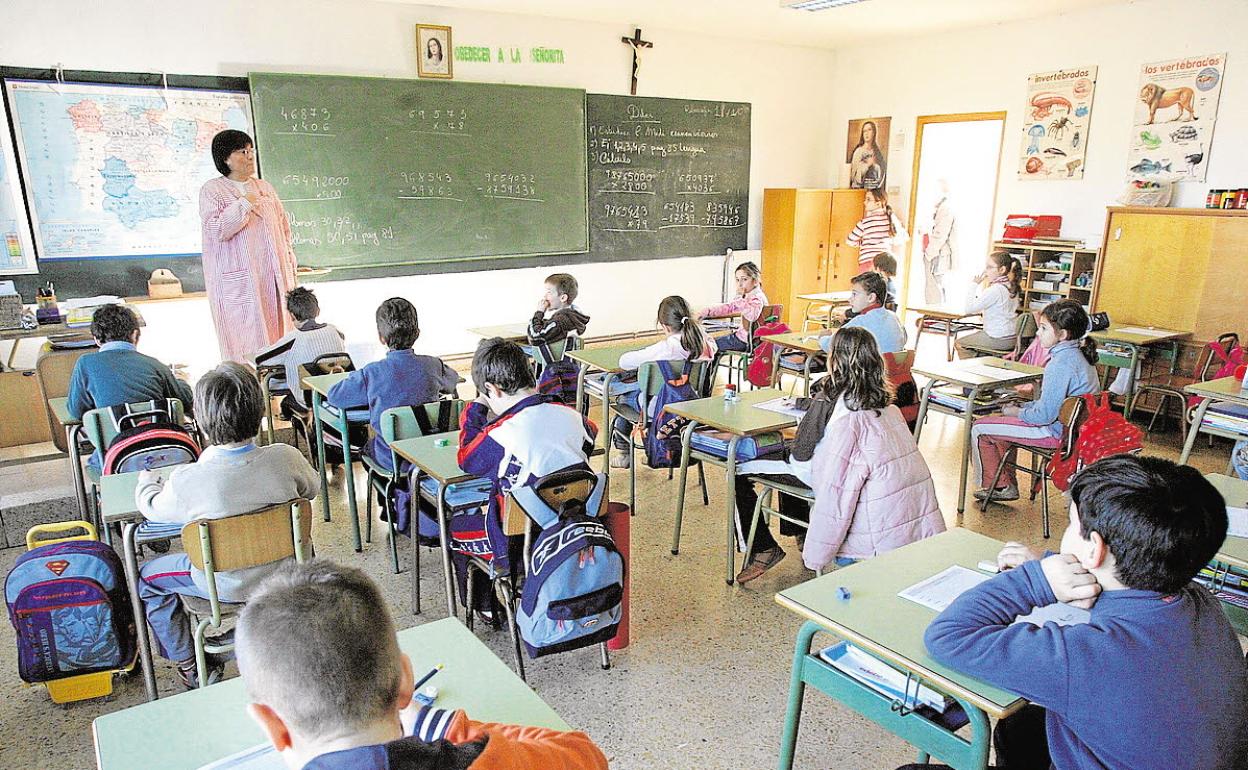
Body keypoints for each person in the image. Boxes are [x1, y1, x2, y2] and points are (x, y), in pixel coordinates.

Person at [910, 455, 1248, 770]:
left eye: (1072, 524)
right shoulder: (1197, 598)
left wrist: (1035, 581)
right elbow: (1130, 602)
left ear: (1094, 548)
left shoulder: (1082, 658)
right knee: (1023, 726)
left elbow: (947, 636)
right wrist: (1056, 569)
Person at [236, 560, 610, 770]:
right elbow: (586, 756)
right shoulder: (484, 762)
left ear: (273, 727)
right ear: (405, 682)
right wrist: (443, 724)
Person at [135, 362, 318, 689]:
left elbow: (152, 509)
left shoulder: (187, 480)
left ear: (201, 422)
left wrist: (146, 483)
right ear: (261, 411)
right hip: (287, 574)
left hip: (221, 588)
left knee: (147, 579)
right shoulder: (286, 457)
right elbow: (312, 490)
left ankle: (189, 662)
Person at [736, 327, 943, 583]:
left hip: (833, 482)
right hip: (898, 508)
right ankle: (800, 532)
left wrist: (818, 555)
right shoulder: (886, 405)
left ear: (834, 359)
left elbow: (802, 456)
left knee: (739, 467)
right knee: (791, 455)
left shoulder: (829, 397)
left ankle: (763, 548)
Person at [453, 339, 597, 616]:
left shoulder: (503, 432)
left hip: (519, 546)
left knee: (457, 527)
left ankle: (488, 609)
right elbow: (591, 434)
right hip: (574, 532)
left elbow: (467, 460)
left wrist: (476, 408)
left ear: (492, 389)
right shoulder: (572, 416)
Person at [970, 299, 1099, 503]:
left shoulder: (1059, 364)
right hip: (1072, 433)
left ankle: (997, 486)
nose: (1038, 334)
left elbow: (1044, 416)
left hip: (1053, 432)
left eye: (1044, 328)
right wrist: (1024, 406)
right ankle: (1004, 484)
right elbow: (1054, 404)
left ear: (1062, 335)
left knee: (979, 428)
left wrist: (1016, 412)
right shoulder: (1080, 356)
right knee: (1000, 426)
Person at [327, 298, 458, 473]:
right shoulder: (434, 365)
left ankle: (388, 497)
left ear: (381, 338)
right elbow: (452, 382)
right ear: (417, 333)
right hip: (428, 456)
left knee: (366, 448)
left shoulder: (371, 373)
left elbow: (335, 396)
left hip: (390, 459)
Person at [200, 130, 299, 363]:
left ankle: (280, 389)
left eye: (251, 150)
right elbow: (217, 230)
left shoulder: (265, 187)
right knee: (246, 344)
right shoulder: (213, 190)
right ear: (226, 158)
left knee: (281, 339)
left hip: (273, 276)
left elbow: (284, 229)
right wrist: (244, 204)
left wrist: (289, 263)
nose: (249, 156)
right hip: (240, 281)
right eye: (242, 151)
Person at [66, 304, 194, 469]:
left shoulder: (85, 364)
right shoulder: (155, 365)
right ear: (135, 334)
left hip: (113, 460)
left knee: (93, 464)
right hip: (165, 456)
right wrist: (181, 381)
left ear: (96, 339)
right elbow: (184, 401)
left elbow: (76, 411)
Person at [611, 296, 715, 469]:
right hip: (694, 406)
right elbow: (710, 342)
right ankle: (653, 450)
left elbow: (624, 361)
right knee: (640, 391)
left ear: (665, 325)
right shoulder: (705, 343)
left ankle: (624, 454)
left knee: (622, 399)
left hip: (663, 408)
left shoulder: (666, 348)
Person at [253, 286, 346, 413]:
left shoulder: (294, 339)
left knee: (285, 403)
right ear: (318, 311)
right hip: (336, 394)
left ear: (292, 316)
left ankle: (305, 426)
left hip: (308, 401)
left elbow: (260, 359)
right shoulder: (335, 331)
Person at [818, 272, 906, 355]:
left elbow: (830, 345)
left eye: (854, 294)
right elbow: (904, 339)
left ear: (871, 297)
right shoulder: (894, 318)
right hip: (894, 369)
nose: (850, 299)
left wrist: (822, 337)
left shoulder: (860, 323)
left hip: (869, 370)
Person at [955, 250, 1022, 358]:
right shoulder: (1012, 286)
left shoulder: (995, 290)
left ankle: (971, 372)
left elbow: (968, 309)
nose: (986, 271)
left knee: (960, 343)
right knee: (977, 344)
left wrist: (974, 284)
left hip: (998, 338)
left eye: (989, 267)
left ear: (1002, 269)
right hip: (1012, 337)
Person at [698, 261, 767, 356]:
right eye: (737, 280)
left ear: (755, 281)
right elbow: (730, 307)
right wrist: (708, 311)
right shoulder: (749, 297)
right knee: (710, 345)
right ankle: (708, 370)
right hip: (745, 339)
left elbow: (752, 316)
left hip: (745, 341)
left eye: (744, 279)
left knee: (708, 346)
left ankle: (705, 371)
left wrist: (739, 296)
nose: (740, 284)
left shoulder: (757, 298)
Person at [846, 189, 906, 273]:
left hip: (868, 263)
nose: (864, 202)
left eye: (868, 199)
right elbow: (900, 237)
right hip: (885, 264)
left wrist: (863, 243)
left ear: (878, 203)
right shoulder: (891, 220)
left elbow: (850, 240)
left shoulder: (865, 222)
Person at [526, 272, 589, 347]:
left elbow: (535, 336)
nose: (545, 296)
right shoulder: (572, 315)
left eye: (549, 292)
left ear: (563, 298)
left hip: (555, 358)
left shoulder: (560, 321)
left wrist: (539, 312)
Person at [923, 179, 956, 305]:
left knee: (935, 286)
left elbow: (940, 233)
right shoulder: (940, 206)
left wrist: (929, 254)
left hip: (937, 253)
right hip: (934, 251)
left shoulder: (946, 207)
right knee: (933, 286)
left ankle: (934, 318)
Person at [849, 120, 887, 190]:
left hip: (874, 190)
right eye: (864, 131)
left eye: (869, 130)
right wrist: (868, 165)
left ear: (874, 133)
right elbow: (853, 176)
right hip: (860, 190)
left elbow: (882, 173)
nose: (866, 133)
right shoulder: (859, 151)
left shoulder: (877, 152)